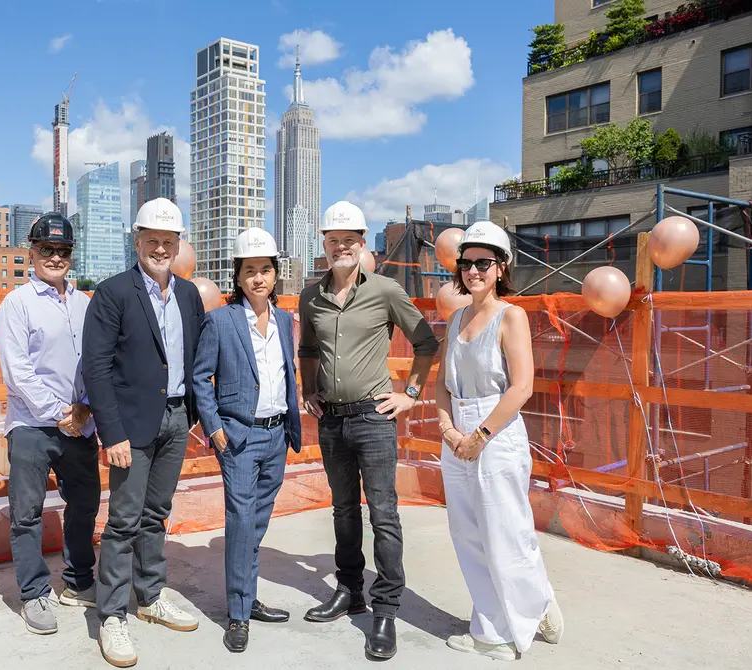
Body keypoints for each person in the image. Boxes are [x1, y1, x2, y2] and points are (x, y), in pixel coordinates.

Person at [298, 201, 439, 661]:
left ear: (362, 244)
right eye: (334, 239)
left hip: (374, 419)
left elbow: (426, 342)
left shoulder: (385, 291)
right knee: (342, 510)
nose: (342, 246)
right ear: (324, 244)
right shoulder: (309, 296)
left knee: (383, 514)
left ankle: (387, 608)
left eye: (350, 240)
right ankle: (349, 590)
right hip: (333, 420)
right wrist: (308, 389)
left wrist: (411, 395)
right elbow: (307, 348)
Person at [82, 197, 205, 668]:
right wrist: (110, 433)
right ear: (137, 242)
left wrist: (193, 414)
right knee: (124, 521)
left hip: (176, 419)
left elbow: (195, 356)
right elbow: (95, 367)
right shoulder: (114, 293)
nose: (159, 248)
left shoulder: (189, 295)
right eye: (151, 240)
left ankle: (150, 596)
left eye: (167, 241)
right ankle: (112, 615)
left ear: (178, 245)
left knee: (157, 513)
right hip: (130, 427)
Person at [435, 219, 564, 662]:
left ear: (501, 267)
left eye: (483, 263)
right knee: (467, 533)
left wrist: (480, 436)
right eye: (467, 263)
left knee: (505, 530)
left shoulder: (512, 316)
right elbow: (441, 385)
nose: (473, 271)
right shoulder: (455, 320)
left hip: (497, 430)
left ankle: (507, 631)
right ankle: (517, 610)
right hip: (457, 432)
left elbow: (521, 386)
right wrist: (448, 429)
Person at [192, 227, 302, 653]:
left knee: (256, 523)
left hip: (277, 435)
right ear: (237, 277)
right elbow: (202, 376)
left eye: (266, 270)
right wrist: (214, 427)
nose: (258, 277)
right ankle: (238, 614)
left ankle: (247, 595)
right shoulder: (220, 320)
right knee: (240, 523)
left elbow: (286, 373)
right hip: (237, 436)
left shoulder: (285, 320)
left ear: (276, 275)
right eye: (250, 270)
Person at [0, 212, 99, 635]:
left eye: (63, 250)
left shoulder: (84, 302)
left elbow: (97, 363)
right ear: (32, 252)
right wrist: (61, 413)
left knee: (85, 505)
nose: (55, 257)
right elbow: (17, 371)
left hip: (81, 424)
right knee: (26, 514)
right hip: (33, 427)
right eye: (46, 249)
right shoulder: (16, 304)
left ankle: (76, 581)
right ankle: (34, 593)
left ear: (71, 255)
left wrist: (85, 409)